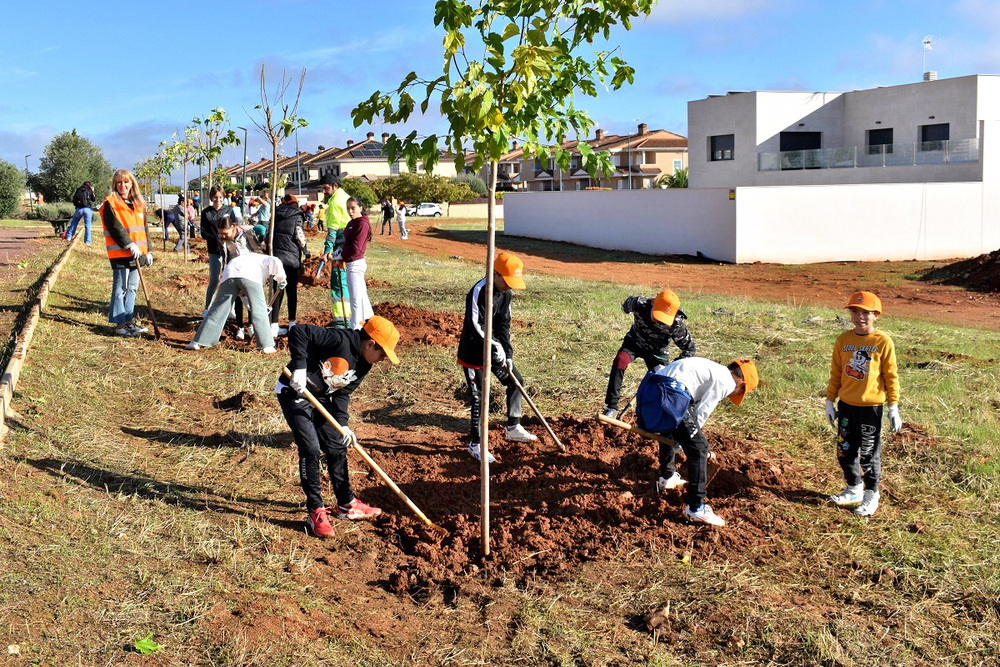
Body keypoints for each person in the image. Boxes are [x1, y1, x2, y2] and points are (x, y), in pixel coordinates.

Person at [276, 316, 401, 537]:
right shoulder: (339, 339)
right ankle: (315, 511)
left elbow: (342, 394)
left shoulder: (364, 364)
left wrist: (343, 425)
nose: (382, 359)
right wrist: (299, 369)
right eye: (382, 354)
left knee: (336, 446)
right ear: (370, 343)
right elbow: (300, 332)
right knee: (311, 448)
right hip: (295, 391)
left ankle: (346, 504)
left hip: (321, 399)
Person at [635, 357, 759, 526]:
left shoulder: (713, 369)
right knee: (700, 448)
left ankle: (667, 477)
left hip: (652, 389)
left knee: (670, 430)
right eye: (740, 393)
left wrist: (682, 437)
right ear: (742, 384)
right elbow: (701, 412)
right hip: (671, 393)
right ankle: (696, 508)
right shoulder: (727, 382)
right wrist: (690, 441)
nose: (735, 394)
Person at [825, 291, 901, 517]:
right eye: (855, 312)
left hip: (871, 409)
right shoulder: (843, 340)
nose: (860, 317)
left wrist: (893, 407)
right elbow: (836, 373)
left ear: (876, 315)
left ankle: (871, 494)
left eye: (866, 313)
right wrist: (830, 401)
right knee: (844, 450)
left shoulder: (883, 342)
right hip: (847, 406)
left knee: (868, 453)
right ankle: (854, 488)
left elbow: (891, 376)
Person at [457, 251, 536, 463]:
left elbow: (504, 325)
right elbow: (475, 325)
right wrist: (493, 345)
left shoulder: (506, 294)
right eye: (507, 281)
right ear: (496, 274)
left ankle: (513, 427)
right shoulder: (479, 291)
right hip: (474, 352)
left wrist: (507, 353)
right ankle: (476, 445)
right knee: (479, 398)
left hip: (496, 352)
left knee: (516, 381)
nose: (510, 286)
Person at [602, 289, 696, 418]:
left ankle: (657, 416)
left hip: (657, 352)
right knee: (620, 360)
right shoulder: (638, 303)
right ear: (652, 303)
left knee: (663, 383)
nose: (660, 322)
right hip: (635, 342)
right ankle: (611, 407)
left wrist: (673, 366)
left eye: (664, 320)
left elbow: (690, 349)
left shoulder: (676, 324)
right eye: (658, 316)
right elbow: (625, 306)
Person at [186, 250, 285, 353]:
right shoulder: (265, 258)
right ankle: (266, 346)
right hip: (249, 275)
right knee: (259, 310)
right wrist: (282, 279)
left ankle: (197, 342)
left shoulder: (244, 258)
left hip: (229, 274)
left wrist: (256, 308)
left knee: (217, 309)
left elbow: (245, 298)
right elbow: (276, 260)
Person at [99, 169, 153, 337]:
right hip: (121, 253)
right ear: (115, 184)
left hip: (138, 255)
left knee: (132, 288)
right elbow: (115, 227)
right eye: (119, 182)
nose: (123, 185)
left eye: (126, 182)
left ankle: (129, 321)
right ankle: (120, 324)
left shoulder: (138, 203)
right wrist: (128, 244)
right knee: (120, 288)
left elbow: (144, 228)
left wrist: (149, 250)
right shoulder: (111, 202)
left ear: (132, 184)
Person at [327, 197, 373, 330]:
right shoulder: (352, 223)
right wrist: (339, 252)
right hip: (350, 263)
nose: (350, 211)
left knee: (356, 300)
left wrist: (341, 254)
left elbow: (356, 248)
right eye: (348, 208)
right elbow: (347, 244)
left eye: (353, 208)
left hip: (355, 264)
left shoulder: (362, 224)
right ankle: (369, 324)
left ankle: (355, 330)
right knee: (362, 298)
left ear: (360, 208)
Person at [269, 194, 311, 336]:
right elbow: (299, 236)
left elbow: (267, 235)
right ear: (294, 204)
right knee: (291, 291)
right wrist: (306, 251)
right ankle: (292, 324)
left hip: (276, 258)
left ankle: (274, 325)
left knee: (277, 291)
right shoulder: (297, 215)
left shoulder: (274, 214)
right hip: (292, 258)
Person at [218, 217, 263, 340]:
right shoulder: (221, 239)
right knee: (238, 299)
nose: (222, 235)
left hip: (249, 270)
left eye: (225, 233)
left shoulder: (246, 233)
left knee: (250, 299)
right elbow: (224, 256)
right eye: (220, 233)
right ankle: (240, 328)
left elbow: (258, 245)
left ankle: (251, 325)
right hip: (234, 271)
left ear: (233, 227)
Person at [320, 175, 352, 327]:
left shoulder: (335, 203)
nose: (324, 192)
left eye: (326, 188)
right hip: (350, 245)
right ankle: (348, 318)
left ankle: (341, 321)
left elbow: (332, 231)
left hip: (340, 247)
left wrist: (327, 251)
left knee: (338, 283)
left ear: (335, 186)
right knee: (347, 282)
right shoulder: (346, 197)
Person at [200, 185, 236, 314]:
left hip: (228, 250)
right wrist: (215, 238)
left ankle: (230, 308)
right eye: (215, 197)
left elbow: (235, 227)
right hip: (214, 250)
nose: (218, 200)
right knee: (214, 279)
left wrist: (227, 238)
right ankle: (207, 308)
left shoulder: (229, 211)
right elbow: (203, 232)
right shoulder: (206, 212)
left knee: (230, 279)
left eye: (220, 197)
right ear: (211, 198)